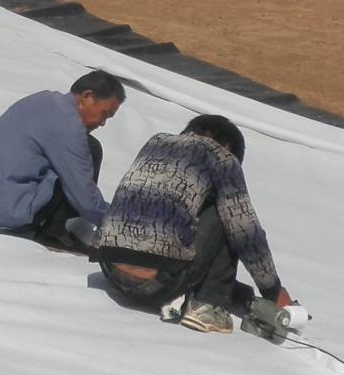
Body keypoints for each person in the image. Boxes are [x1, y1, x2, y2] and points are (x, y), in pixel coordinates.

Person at [93, 115, 292, 334]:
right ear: (227, 146)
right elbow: (245, 230)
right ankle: (209, 306)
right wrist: (273, 290)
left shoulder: (156, 142)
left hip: (110, 268)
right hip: (157, 284)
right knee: (226, 212)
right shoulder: (222, 157)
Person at [0, 72, 125, 252]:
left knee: (85, 147)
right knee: (90, 150)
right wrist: (116, 223)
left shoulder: (43, 101)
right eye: (104, 114)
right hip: (12, 218)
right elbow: (85, 198)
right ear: (87, 97)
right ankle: (54, 232)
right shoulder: (68, 128)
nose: (102, 123)